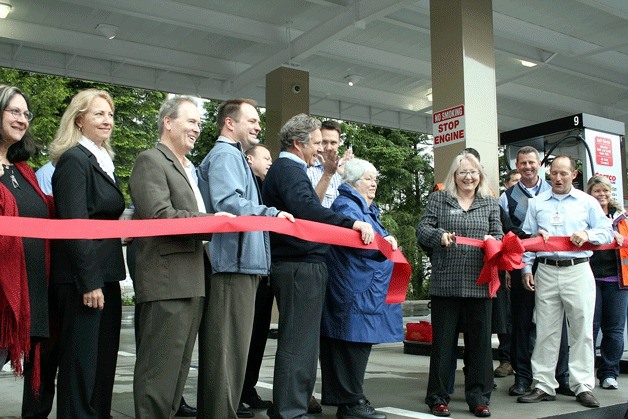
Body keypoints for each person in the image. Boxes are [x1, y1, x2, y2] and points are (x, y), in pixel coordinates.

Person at [262, 113, 375, 419]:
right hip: (298, 265)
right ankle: (289, 410)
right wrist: (349, 222)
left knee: (304, 342)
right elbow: (307, 209)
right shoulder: (288, 169)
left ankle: (293, 406)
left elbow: (304, 207)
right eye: (315, 143)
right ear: (298, 144)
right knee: (298, 342)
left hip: (302, 264)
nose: (320, 150)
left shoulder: (290, 169)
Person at [129, 96, 232, 418]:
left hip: (190, 280)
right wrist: (211, 222)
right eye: (191, 121)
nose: (197, 129)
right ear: (168, 122)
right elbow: (159, 214)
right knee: (158, 373)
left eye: (200, 123)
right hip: (166, 282)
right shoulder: (151, 160)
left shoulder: (187, 168)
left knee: (176, 371)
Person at [196, 98, 294, 419]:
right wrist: (272, 213)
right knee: (226, 352)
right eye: (250, 120)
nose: (257, 126)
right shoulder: (226, 155)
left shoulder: (234, 156)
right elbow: (229, 203)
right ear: (229, 123)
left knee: (232, 352)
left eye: (257, 122)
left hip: (241, 265)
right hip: (231, 267)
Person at [49, 89, 125, 418]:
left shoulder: (100, 161)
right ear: (79, 120)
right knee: (81, 368)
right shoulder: (73, 161)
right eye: (98, 114)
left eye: (109, 114)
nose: (107, 120)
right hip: (84, 282)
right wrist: (89, 281)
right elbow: (75, 224)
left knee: (102, 365)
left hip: (106, 277)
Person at [517, 156, 613, 408]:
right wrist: (526, 268)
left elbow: (605, 232)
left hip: (578, 269)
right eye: (554, 174)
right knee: (545, 329)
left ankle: (582, 385)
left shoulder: (588, 202)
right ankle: (543, 384)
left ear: (574, 175)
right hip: (546, 270)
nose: (558, 179)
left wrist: (588, 233)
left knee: (582, 329)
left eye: (563, 173)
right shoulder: (537, 203)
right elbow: (528, 238)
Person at [416, 152, 502, 418]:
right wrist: (439, 235)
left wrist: (492, 241)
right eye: (463, 172)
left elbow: (498, 235)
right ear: (454, 175)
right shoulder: (439, 198)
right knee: (443, 345)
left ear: (480, 176)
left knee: (480, 346)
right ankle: (438, 398)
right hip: (446, 283)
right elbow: (422, 230)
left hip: (479, 283)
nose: (469, 177)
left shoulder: (490, 202)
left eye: (473, 172)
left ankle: (479, 398)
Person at [320, 158, 400, 419]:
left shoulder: (367, 208)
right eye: (368, 178)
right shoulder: (346, 204)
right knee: (351, 344)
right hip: (355, 289)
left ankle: (350, 399)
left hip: (364, 289)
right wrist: (383, 240)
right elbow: (360, 242)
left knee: (355, 344)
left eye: (375, 178)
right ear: (354, 182)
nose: (374, 182)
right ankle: (351, 403)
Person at [0, 85, 56, 418]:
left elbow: (42, 213)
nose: (22, 120)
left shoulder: (23, 170)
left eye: (26, 113)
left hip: (29, 292)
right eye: (14, 111)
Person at [499, 146, 571, 397]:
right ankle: (522, 377)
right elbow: (505, 234)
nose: (527, 167)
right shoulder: (505, 198)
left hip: (553, 263)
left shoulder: (556, 192)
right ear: (516, 166)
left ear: (540, 164)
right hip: (520, 266)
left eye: (532, 162)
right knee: (520, 321)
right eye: (523, 163)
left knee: (556, 322)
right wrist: (509, 269)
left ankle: (560, 377)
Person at [240, 143, 275, 413]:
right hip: (246, 268)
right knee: (244, 333)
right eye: (265, 157)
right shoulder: (244, 182)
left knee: (259, 332)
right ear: (249, 158)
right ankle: (238, 388)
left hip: (264, 270)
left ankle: (248, 386)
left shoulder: (265, 187)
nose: (270, 162)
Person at [585, 175, 627, 390]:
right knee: (589, 330)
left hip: (618, 282)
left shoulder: (622, 218)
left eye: (605, 191)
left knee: (614, 330)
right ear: (589, 194)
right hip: (589, 280)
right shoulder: (584, 215)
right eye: (596, 191)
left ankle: (609, 373)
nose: (601, 195)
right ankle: (586, 374)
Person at [307, 119, 353, 208]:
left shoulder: (343, 170)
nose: (329, 147)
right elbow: (310, 205)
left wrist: (347, 177)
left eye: (333, 143)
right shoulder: (307, 168)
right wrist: (328, 174)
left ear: (339, 143)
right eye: (324, 142)